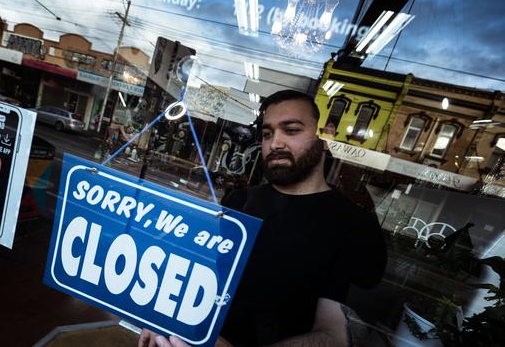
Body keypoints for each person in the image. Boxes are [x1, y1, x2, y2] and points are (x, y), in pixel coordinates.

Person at [139, 90, 387, 346]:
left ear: (325, 135)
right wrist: (164, 319)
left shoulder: (353, 225)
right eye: (268, 134)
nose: (275, 143)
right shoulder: (239, 202)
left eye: (291, 130)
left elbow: (335, 335)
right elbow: (205, 278)